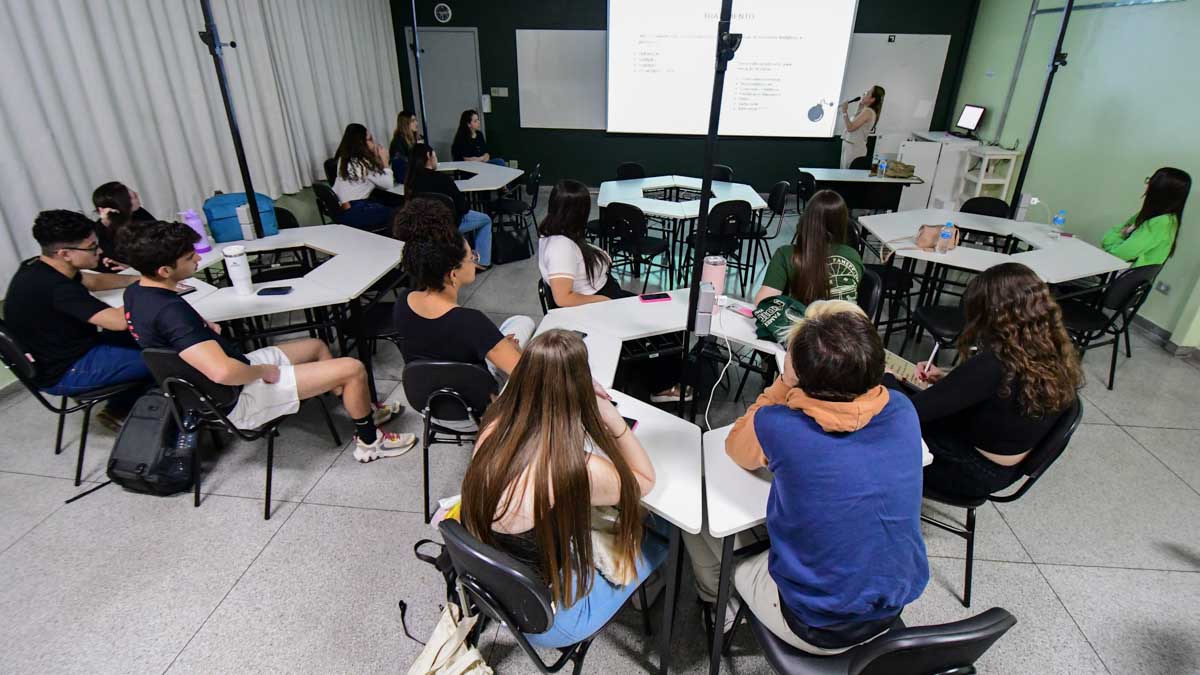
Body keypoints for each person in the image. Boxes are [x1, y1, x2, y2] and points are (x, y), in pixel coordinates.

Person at [685, 301, 928, 654]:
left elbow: (737, 447)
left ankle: (719, 605)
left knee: (698, 512)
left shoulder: (779, 426)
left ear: (799, 371)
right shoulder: (903, 410)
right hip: (890, 609)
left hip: (813, 624)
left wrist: (784, 383)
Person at [118, 220, 415, 462]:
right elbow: (222, 372)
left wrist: (201, 326)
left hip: (225, 378)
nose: (197, 257)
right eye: (189, 257)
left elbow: (166, 335)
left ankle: (360, 408)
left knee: (316, 346)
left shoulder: (137, 292)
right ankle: (370, 441)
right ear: (164, 271)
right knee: (352, 368)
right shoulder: (170, 312)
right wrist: (262, 372)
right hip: (237, 394)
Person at [460, 329, 666, 649]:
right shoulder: (575, 469)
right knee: (664, 530)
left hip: (497, 590)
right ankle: (645, 589)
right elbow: (645, 480)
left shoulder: (493, 425)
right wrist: (611, 418)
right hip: (551, 622)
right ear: (581, 389)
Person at [901, 263, 1082, 498]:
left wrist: (885, 378)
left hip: (965, 470)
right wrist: (948, 380)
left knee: (882, 417)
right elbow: (1001, 394)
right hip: (1002, 471)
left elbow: (912, 412)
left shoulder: (994, 364)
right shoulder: (1050, 351)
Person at [5, 210, 150, 424]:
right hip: (65, 370)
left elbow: (94, 282)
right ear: (65, 253)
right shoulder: (57, 287)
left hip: (61, 354)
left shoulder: (37, 266)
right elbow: (118, 322)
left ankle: (121, 406)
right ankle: (125, 414)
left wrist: (139, 280)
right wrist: (155, 287)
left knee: (150, 339)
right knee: (164, 360)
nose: (99, 251)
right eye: (92, 247)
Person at [389, 198, 533, 382]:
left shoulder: (403, 302)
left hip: (429, 395)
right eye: (471, 256)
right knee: (523, 322)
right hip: (478, 400)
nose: (475, 258)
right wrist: (517, 351)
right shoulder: (471, 322)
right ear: (453, 274)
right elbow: (526, 377)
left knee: (516, 324)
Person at [754, 189, 863, 306]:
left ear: (805, 221)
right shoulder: (853, 255)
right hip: (847, 323)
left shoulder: (786, 254)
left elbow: (762, 303)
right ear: (843, 225)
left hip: (803, 322)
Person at [537, 179, 628, 307]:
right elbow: (563, 298)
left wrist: (600, 255)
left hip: (600, 291)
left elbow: (575, 253)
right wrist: (604, 300)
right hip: (598, 299)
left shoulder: (553, 229)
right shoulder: (560, 248)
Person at [404, 143, 492, 269]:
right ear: (428, 156)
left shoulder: (410, 182)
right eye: (434, 154)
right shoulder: (443, 179)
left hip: (425, 227)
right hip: (449, 225)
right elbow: (463, 207)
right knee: (486, 220)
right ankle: (482, 262)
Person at [1101, 167, 1191, 267]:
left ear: (1160, 190)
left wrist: (1120, 237)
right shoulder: (1160, 216)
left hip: (1122, 275)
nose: (1148, 184)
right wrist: (1118, 238)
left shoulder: (1161, 222)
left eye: (1151, 181)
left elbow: (1118, 253)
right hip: (1124, 272)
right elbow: (1111, 236)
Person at [331, 123, 402, 231]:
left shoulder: (344, 159)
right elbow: (388, 184)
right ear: (361, 143)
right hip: (355, 211)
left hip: (342, 211)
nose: (374, 143)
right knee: (400, 214)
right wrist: (385, 161)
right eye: (370, 140)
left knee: (386, 204)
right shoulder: (363, 163)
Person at [92, 181, 156, 272]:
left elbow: (159, 235)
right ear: (123, 205)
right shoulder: (100, 232)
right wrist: (106, 225)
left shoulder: (138, 212)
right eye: (133, 197)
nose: (137, 195)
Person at [839, 85, 884, 169]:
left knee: (848, 177)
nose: (864, 94)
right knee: (844, 174)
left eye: (868, 93)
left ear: (872, 99)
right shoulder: (865, 110)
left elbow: (850, 128)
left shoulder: (868, 111)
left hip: (854, 148)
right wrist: (860, 107)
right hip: (850, 145)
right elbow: (854, 123)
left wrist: (845, 112)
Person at [388, 110, 421, 178]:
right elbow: (400, 167)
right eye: (413, 121)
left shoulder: (411, 139)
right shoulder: (397, 142)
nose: (416, 123)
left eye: (416, 120)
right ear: (405, 123)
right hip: (405, 179)